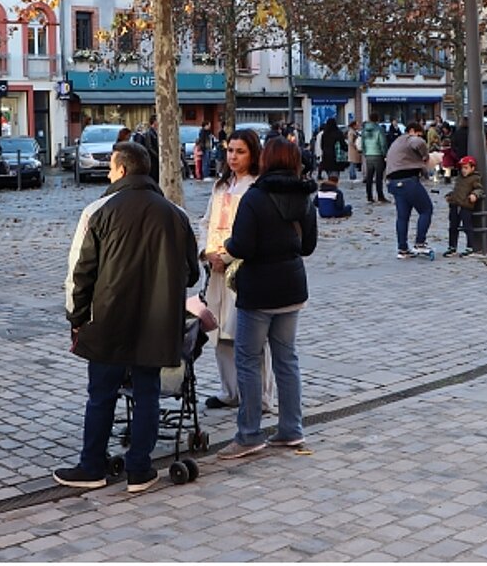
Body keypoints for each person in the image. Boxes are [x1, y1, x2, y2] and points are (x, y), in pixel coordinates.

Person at [55, 140, 199, 493]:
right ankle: (140, 469)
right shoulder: (175, 214)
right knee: (147, 391)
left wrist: (76, 315)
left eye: (109, 167)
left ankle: (92, 466)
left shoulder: (98, 211)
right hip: (157, 321)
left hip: (108, 318)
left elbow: (80, 272)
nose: (107, 173)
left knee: (102, 393)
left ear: (121, 170)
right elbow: (192, 274)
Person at [218, 136, 317, 459]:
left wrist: (227, 248)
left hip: (259, 288)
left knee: (248, 360)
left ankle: (249, 434)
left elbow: (242, 246)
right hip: (292, 286)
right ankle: (291, 429)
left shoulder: (255, 197)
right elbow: (308, 246)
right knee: (286, 360)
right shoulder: (305, 195)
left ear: (267, 160)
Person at [198, 129, 275, 411]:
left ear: (253, 154)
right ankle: (230, 390)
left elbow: (253, 233)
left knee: (251, 335)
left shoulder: (257, 188)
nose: (233, 156)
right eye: (230, 150)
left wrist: (229, 256)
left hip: (243, 270)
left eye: (240, 151)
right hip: (216, 269)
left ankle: (262, 396)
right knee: (219, 331)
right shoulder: (221, 186)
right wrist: (206, 252)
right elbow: (206, 222)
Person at [384, 121, 435, 259]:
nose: (420, 137)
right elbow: (417, 143)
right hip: (408, 180)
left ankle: (402, 248)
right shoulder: (409, 139)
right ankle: (420, 243)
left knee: (402, 216)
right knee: (426, 210)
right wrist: (425, 156)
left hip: (393, 182)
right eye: (420, 134)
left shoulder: (396, 142)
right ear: (412, 131)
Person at [444, 155, 483, 257]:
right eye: (462, 168)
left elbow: (479, 189)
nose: (463, 170)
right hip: (455, 205)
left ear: (472, 168)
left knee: (467, 226)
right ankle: (452, 246)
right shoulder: (459, 178)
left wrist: (475, 195)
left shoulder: (475, 178)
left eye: (466, 168)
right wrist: (450, 196)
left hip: (465, 205)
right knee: (453, 227)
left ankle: (470, 246)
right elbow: (457, 190)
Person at [360, 114, 388, 204]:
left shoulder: (364, 130)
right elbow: (383, 143)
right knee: (379, 177)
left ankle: (369, 196)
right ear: (377, 119)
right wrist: (385, 154)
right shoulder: (379, 129)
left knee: (369, 176)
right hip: (378, 154)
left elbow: (362, 143)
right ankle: (380, 196)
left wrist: (365, 152)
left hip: (368, 154)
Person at [133, 115, 161, 183]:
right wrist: (157, 155)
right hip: (153, 160)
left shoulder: (156, 132)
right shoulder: (150, 133)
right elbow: (149, 147)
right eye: (157, 120)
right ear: (154, 122)